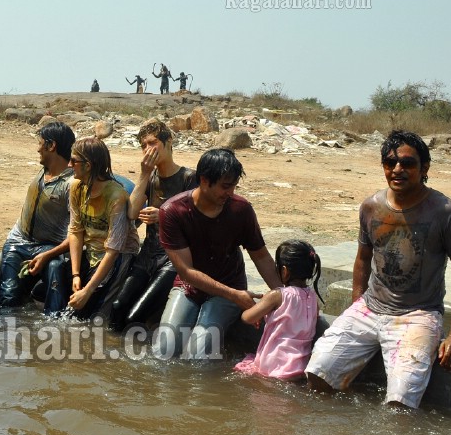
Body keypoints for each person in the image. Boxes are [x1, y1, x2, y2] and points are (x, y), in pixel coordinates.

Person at [305, 130, 451, 408]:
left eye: (408, 163)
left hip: (418, 315)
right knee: (317, 376)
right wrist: (356, 306)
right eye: (390, 163)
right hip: (370, 308)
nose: (397, 170)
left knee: (401, 403)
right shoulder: (372, 207)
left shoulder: (446, 213)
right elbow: (363, 258)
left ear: (424, 169)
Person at [153, 148, 282, 359]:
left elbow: (260, 256)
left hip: (230, 286)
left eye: (233, 187)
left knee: (198, 353)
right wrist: (236, 296)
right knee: (164, 350)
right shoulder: (173, 211)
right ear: (204, 180)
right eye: (225, 187)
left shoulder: (241, 210)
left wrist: (284, 294)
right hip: (189, 288)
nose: (230, 193)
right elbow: (186, 272)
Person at [109, 119, 196, 331]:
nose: (148, 149)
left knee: (134, 317)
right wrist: (144, 174)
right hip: (148, 254)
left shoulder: (189, 178)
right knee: (117, 306)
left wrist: (164, 215)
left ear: (169, 142)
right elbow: (131, 212)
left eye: (153, 142)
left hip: (172, 258)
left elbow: (197, 223)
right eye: (143, 146)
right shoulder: (151, 177)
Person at [55, 136, 139, 320]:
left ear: (89, 165)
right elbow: (76, 231)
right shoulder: (76, 187)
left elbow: (113, 250)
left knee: (93, 316)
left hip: (117, 257)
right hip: (91, 251)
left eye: (74, 161)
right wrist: (76, 274)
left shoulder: (116, 196)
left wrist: (88, 290)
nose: (69, 165)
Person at [0, 121, 75, 308]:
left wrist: (48, 255)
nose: (38, 149)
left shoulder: (72, 184)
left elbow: (76, 233)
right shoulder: (44, 171)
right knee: (8, 297)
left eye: (40, 143)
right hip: (18, 242)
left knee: (56, 299)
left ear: (51, 145)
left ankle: (56, 331)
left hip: (50, 246)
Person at [234, 240, 322, 380]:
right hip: (300, 366)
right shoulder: (312, 297)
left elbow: (247, 318)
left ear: (284, 271)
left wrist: (250, 304)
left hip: (274, 365)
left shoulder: (277, 295)